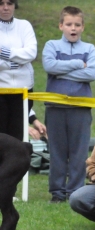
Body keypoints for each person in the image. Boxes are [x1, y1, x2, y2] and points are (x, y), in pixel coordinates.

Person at [42, 6, 95, 203]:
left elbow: (91, 74)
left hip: (80, 108)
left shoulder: (89, 49)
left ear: (82, 27)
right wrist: (77, 64)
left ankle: (75, 191)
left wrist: (61, 70)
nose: (72, 28)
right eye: (68, 24)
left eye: (77, 25)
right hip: (55, 108)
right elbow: (49, 66)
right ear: (61, 26)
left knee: (79, 152)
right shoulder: (51, 45)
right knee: (57, 151)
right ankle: (57, 192)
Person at [0, 0, 36, 141]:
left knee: (18, 137)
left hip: (23, 90)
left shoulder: (24, 25)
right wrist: (10, 65)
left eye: (9, 3)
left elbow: (31, 53)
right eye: (1, 3)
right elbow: (24, 56)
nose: (5, 8)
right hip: (1, 91)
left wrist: (4, 53)